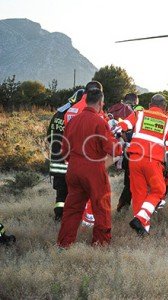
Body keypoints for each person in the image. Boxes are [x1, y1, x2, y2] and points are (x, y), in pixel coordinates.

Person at [57, 88, 122, 248]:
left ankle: (64, 244)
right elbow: (113, 149)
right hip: (93, 169)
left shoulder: (72, 121)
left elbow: (64, 150)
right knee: (102, 207)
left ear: (86, 101)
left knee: (72, 209)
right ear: (100, 103)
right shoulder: (100, 122)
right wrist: (120, 146)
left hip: (73, 169)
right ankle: (101, 244)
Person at [118, 94, 168, 235]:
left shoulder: (139, 114)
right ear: (164, 107)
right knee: (159, 190)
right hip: (153, 161)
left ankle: (143, 229)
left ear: (150, 105)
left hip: (135, 160)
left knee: (138, 194)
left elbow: (123, 126)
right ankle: (141, 218)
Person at [47, 88, 84, 221]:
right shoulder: (76, 114)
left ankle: (58, 216)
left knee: (60, 192)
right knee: (74, 190)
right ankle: (72, 217)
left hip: (56, 158)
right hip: (71, 159)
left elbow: (49, 136)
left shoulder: (58, 113)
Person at [114, 93, 142, 212]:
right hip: (133, 152)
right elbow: (128, 133)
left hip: (120, 152)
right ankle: (128, 209)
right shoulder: (132, 111)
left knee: (128, 183)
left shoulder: (114, 109)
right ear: (135, 101)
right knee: (133, 183)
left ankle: (122, 207)